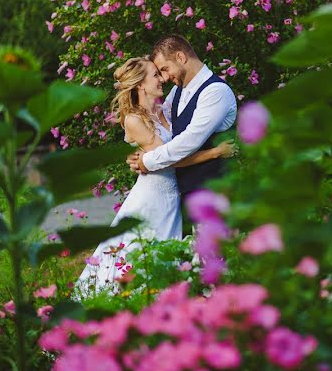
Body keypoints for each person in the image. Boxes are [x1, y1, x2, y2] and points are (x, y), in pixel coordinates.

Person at [74, 57, 236, 298]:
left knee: (165, 254)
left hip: (172, 196)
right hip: (152, 198)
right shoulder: (134, 120)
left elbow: (176, 148)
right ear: (140, 84)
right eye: (154, 75)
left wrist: (145, 162)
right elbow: (170, 158)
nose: (161, 79)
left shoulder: (165, 109)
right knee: (140, 251)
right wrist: (215, 152)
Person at [127, 35, 238, 203]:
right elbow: (163, 125)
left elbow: (189, 141)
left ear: (180, 57)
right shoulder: (178, 90)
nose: (164, 78)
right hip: (188, 194)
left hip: (216, 190)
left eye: (164, 69)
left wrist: (147, 160)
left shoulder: (215, 92)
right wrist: (140, 150)